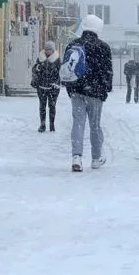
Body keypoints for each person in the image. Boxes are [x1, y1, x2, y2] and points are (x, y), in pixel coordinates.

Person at [59, 14, 112, 172]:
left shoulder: (73, 45)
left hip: (76, 91)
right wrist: (105, 89)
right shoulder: (103, 47)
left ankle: (77, 157)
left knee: (78, 123)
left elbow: (66, 68)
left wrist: (71, 87)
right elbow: (107, 72)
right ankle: (96, 158)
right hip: (95, 92)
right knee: (95, 125)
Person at [31, 41, 61, 132]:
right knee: (42, 106)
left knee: (52, 106)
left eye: (50, 50)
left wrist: (55, 82)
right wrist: (37, 68)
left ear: (53, 50)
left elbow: (60, 73)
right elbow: (34, 69)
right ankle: (42, 125)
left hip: (53, 87)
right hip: (42, 86)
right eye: (47, 50)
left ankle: (52, 125)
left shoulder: (57, 59)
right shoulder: (40, 58)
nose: (48, 51)